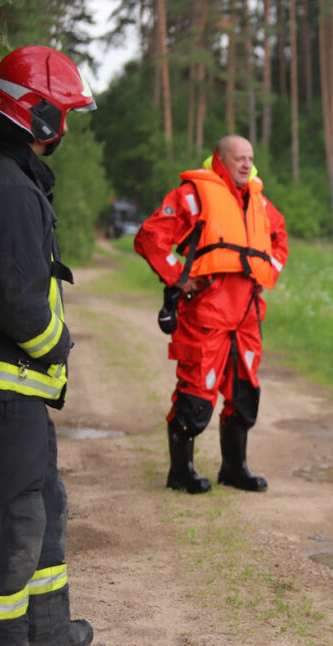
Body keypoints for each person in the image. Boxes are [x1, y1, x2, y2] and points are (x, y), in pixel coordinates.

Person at [0, 46, 98, 646]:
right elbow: (17, 301)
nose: (70, 126)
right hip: (0, 396)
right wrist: (58, 345)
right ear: (40, 115)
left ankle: (46, 636)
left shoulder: (14, 178)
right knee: (10, 521)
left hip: (18, 396)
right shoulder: (6, 185)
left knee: (43, 509)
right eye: (66, 111)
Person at [135, 135, 289, 495]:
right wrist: (179, 276)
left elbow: (279, 238)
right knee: (196, 394)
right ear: (220, 160)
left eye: (250, 158)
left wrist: (268, 271)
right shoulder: (193, 195)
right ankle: (181, 472)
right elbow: (150, 237)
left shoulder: (260, 203)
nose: (247, 164)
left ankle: (235, 469)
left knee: (244, 394)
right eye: (239, 158)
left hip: (247, 317)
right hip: (206, 314)